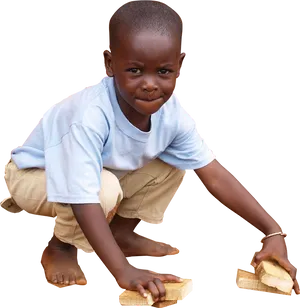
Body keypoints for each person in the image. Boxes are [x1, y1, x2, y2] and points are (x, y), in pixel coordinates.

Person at [1, 0, 299, 301]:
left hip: (92, 174)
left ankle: (122, 232)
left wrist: (273, 232)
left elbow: (213, 173)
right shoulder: (89, 116)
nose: (150, 85)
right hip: (35, 175)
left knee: (171, 161)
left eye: (163, 71)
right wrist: (123, 271)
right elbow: (83, 196)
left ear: (180, 66)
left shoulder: (172, 116)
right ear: (109, 63)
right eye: (134, 70)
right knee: (102, 189)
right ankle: (61, 247)